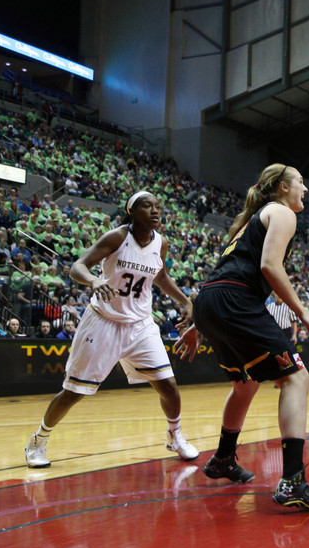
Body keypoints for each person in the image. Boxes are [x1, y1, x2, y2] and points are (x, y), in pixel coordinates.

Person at [176, 163, 309, 511]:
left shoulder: (250, 221)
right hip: (233, 300)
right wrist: (303, 312)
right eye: (300, 182)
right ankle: (292, 481)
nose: (305, 189)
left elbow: (227, 273)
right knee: (297, 378)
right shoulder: (282, 212)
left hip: (211, 300)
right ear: (282, 187)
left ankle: (223, 458)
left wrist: (200, 324)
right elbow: (269, 267)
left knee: (245, 384)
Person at [24, 191, 198, 469]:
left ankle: (174, 435)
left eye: (157, 206)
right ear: (132, 211)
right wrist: (94, 281)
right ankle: (38, 440)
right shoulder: (117, 237)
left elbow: (161, 275)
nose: (155, 211)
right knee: (74, 391)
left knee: (169, 386)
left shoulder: (161, 243)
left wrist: (185, 301)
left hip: (141, 325)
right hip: (104, 320)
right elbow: (78, 267)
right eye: (147, 206)